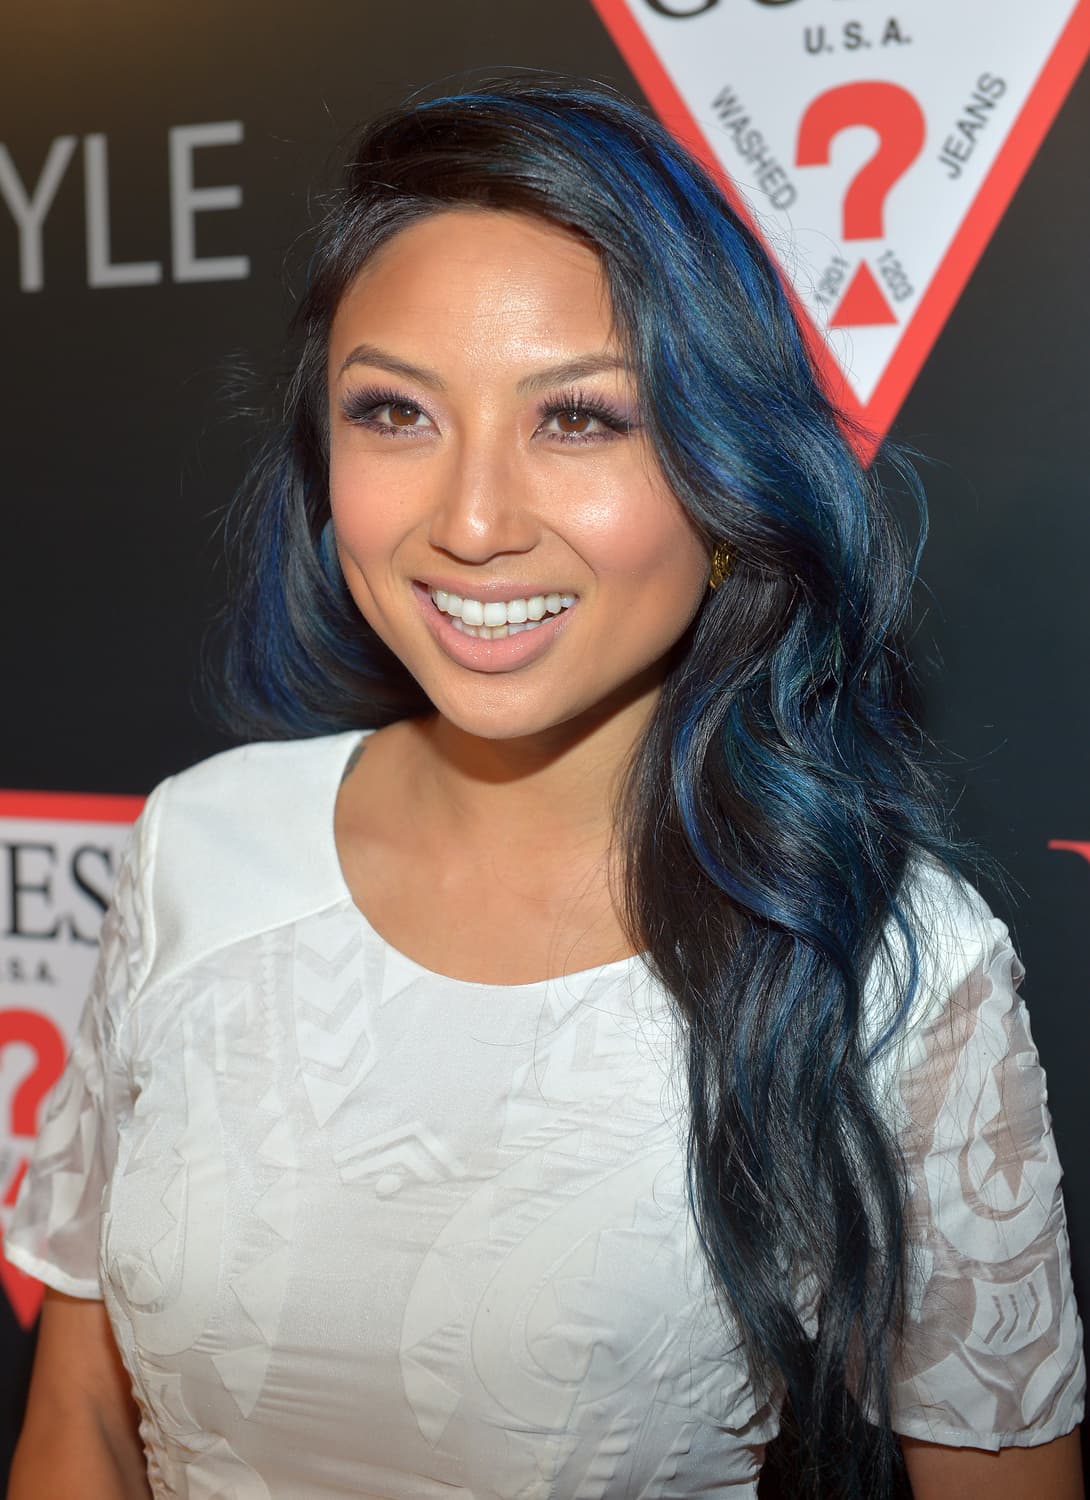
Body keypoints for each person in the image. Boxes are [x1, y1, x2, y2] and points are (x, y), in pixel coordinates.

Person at [4, 74, 1084, 1500]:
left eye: (577, 419)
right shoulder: (198, 845)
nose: (470, 521)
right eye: (395, 412)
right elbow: (82, 1407)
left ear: (725, 476)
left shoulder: (891, 959)